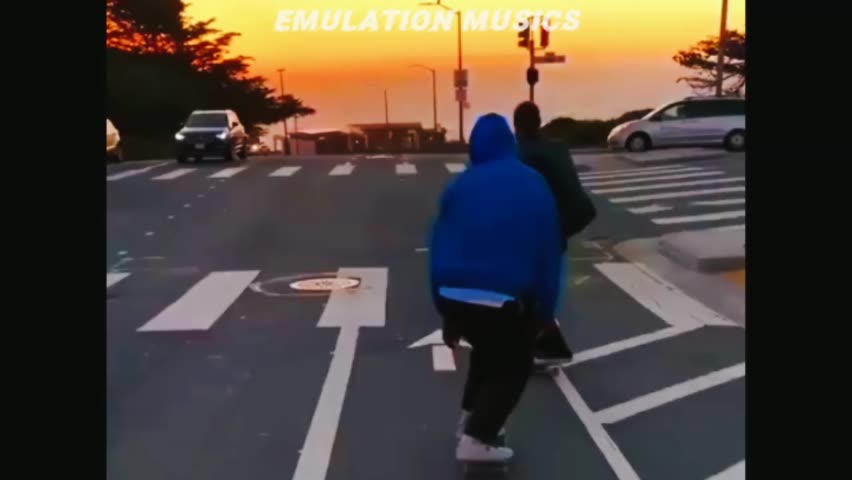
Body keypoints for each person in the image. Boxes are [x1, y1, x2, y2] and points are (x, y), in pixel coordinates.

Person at [429, 113, 563, 462]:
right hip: (503, 297)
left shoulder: (459, 186)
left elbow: (438, 246)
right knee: (513, 366)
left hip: (453, 292)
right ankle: (478, 437)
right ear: (510, 144)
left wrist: (445, 312)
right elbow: (548, 254)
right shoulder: (533, 183)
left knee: (487, 353)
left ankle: (468, 421)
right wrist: (546, 311)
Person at [513, 101, 597, 368]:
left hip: (546, 226)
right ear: (539, 123)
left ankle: (548, 342)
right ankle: (546, 340)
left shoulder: (523, 154)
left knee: (524, 284)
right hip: (571, 218)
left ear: (517, 127)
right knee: (539, 285)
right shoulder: (557, 147)